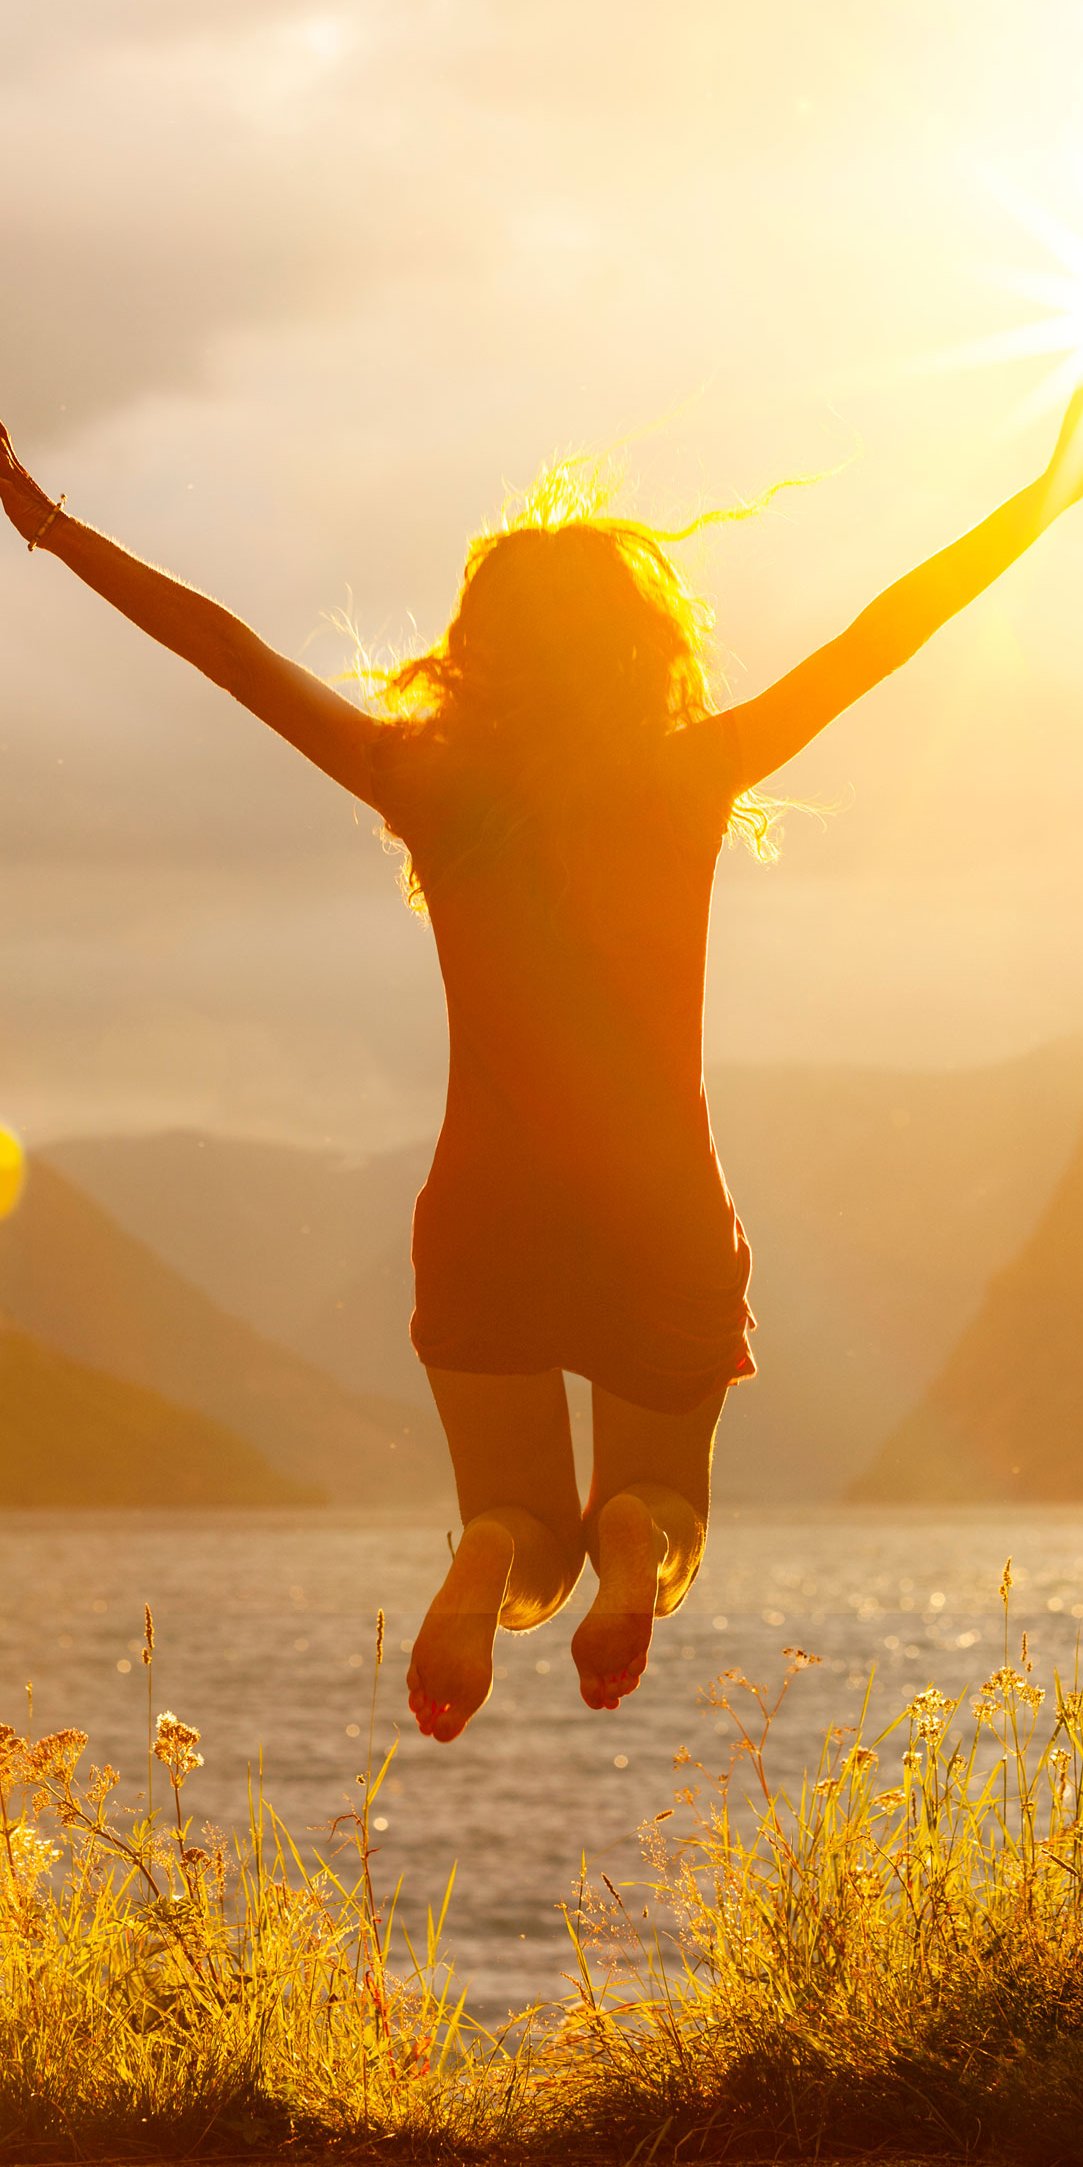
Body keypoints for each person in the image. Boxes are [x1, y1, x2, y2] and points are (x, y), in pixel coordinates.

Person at [4, 399, 1081, 1742]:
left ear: (480, 649)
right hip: (663, 1206)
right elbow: (881, 635)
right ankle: (637, 1546)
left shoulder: (428, 782)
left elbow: (230, 650)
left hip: (485, 1210)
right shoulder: (693, 771)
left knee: (522, 1528)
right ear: (649, 645)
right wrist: (1039, 508)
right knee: (662, 1510)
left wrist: (45, 519)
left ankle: (490, 1567)